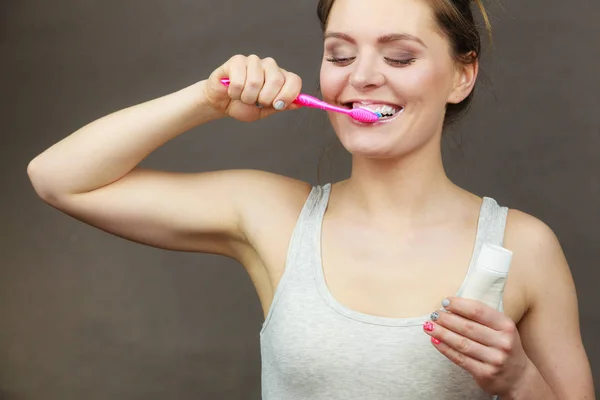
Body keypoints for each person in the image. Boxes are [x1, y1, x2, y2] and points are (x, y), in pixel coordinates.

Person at [27, 0, 595, 399]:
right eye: (341, 55)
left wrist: (521, 382)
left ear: (460, 76)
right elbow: (59, 178)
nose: (363, 78)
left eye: (399, 57)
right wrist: (207, 99)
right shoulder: (269, 215)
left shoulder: (523, 247)